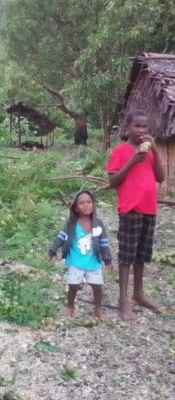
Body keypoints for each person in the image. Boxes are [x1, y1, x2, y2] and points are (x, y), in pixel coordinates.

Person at [106, 109, 165, 322]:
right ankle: (123, 301)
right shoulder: (121, 151)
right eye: (137, 126)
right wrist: (132, 160)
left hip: (149, 209)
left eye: (144, 126)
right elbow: (113, 182)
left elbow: (161, 177)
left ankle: (138, 294)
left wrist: (155, 152)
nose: (141, 130)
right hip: (130, 209)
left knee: (142, 255)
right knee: (126, 256)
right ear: (127, 128)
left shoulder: (150, 151)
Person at [46, 190, 113, 320]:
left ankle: (98, 309)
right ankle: (70, 306)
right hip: (75, 261)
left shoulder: (98, 224)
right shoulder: (71, 224)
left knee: (97, 287)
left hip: (93, 262)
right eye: (81, 203)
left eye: (88, 202)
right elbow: (60, 238)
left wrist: (108, 260)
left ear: (93, 204)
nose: (86, 205)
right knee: (73, 286)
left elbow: (104, 243)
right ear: (76, 208)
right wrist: (51, 252)